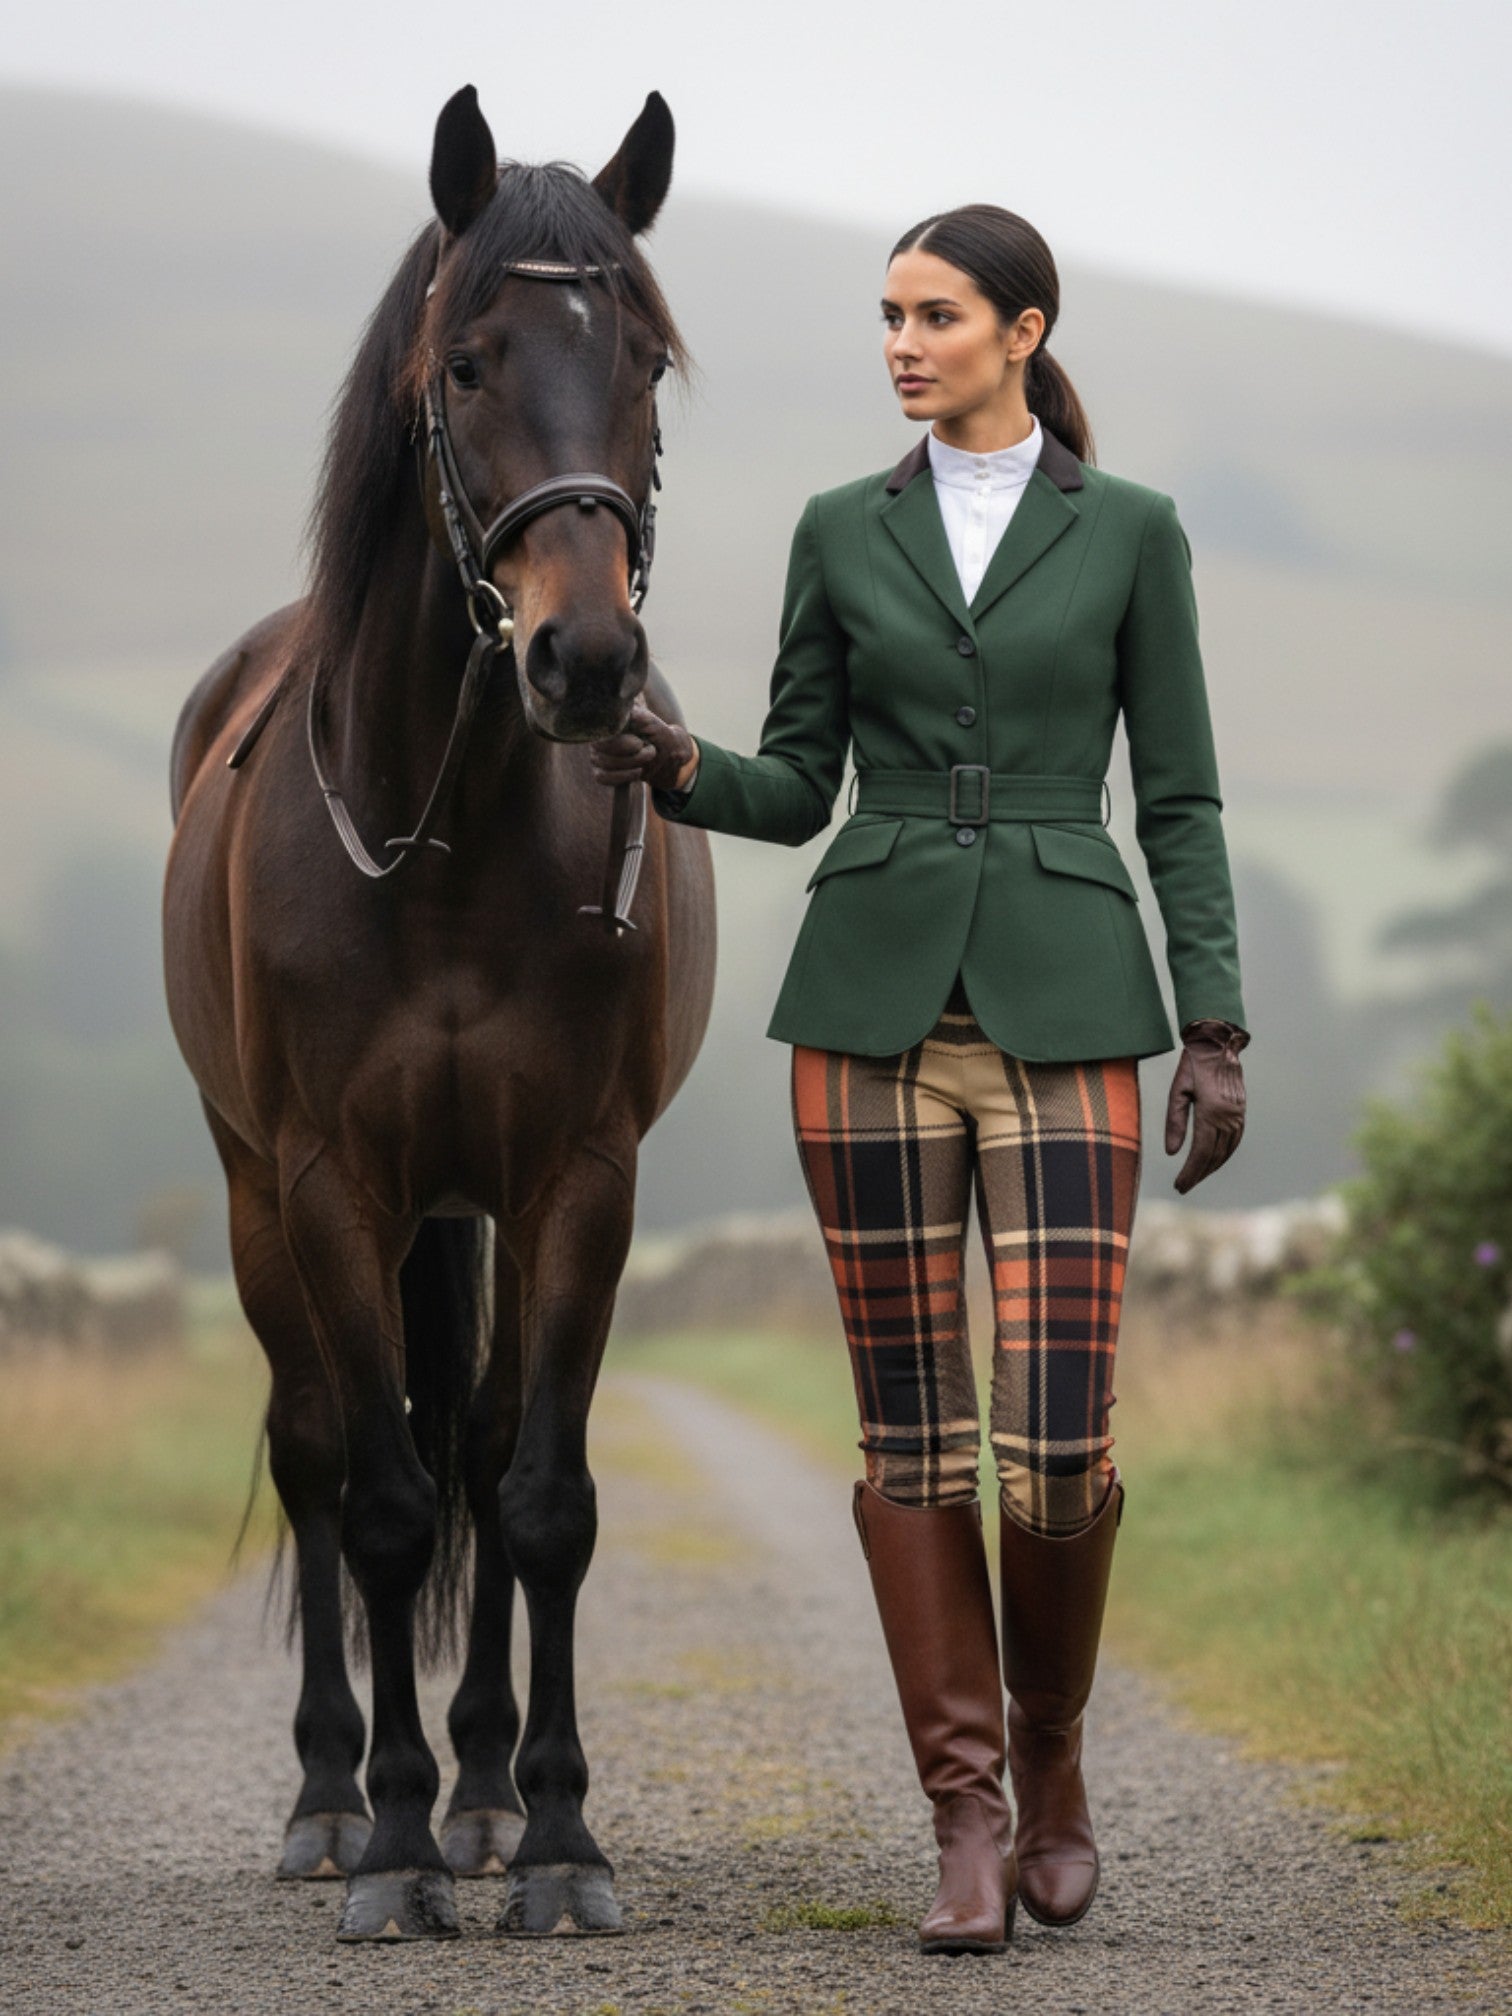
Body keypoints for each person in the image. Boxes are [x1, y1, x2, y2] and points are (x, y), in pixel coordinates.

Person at [589, 203, 1250, 1957]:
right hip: (869, 1018)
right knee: (909, 1433)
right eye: (887, 313)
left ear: (1022, 331)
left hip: (1070, 1007)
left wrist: (1219, 1026)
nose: (900, 342)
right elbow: (800, 779)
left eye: (936, 315)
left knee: (1053, 1438)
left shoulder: (1130, 535)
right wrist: (679, 766)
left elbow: (1176, 799)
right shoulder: (835, 528)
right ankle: (962, 1821)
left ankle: (1050, 1761)